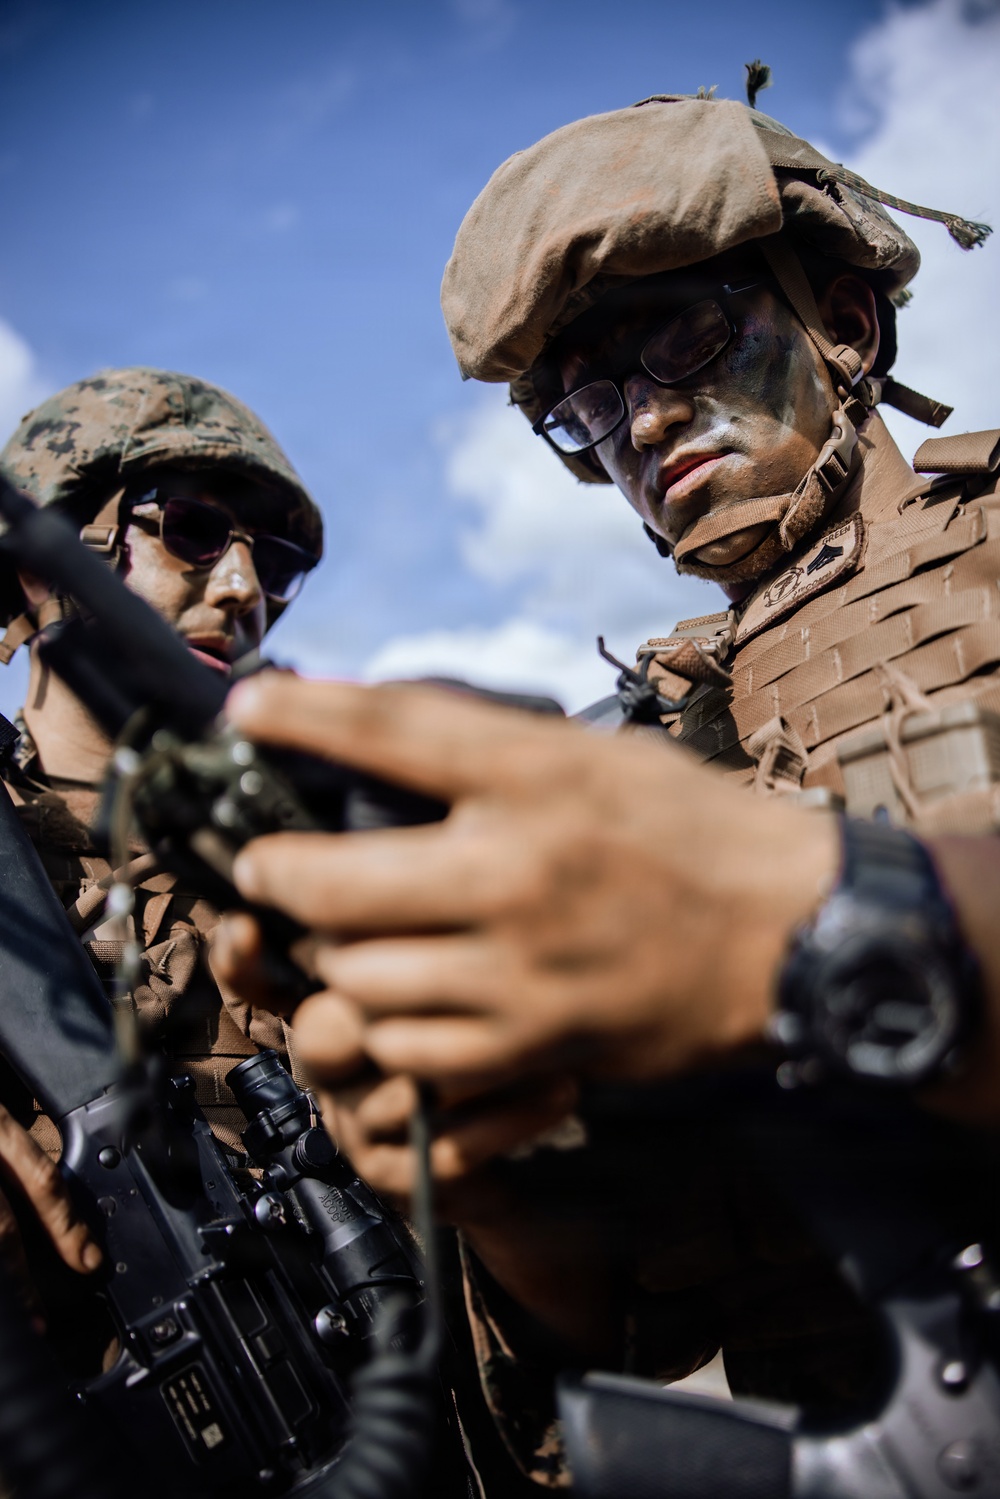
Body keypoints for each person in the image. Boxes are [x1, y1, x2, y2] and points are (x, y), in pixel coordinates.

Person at [214, 81, 1000, 1489]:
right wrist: (486, 1176)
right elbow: (623, 1327)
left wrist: (806, 917)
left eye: (683, 338)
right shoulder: (627, 745)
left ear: (846, 320)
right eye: (586, 408)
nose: (639, 425)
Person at [0, 366, 322, 1336]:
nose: (241, 589)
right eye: (189, 530)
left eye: (272, 564)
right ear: (49, 563)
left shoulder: (313, 861)